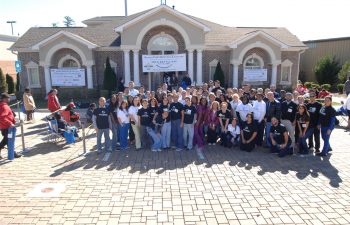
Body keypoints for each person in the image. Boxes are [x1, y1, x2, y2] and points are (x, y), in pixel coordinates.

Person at [0, 93, 22, 159]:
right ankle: (13, 153)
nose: (9, 99)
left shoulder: (3, 105)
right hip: (6, 127)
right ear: (4, 99)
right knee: (8, 140)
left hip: (5, 127)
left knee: (7, 140)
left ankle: (13, 153)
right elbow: (2, 117)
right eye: (8, 98)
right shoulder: (4, 106)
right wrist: (10, 123)